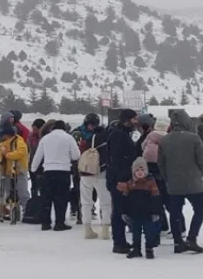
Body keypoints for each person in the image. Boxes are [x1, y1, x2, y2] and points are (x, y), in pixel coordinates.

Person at [159, 109, 203, 254]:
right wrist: (199, 174)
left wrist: (167, 178)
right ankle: (192, 238)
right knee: (200, 209)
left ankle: (178, 242)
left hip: (174, 184)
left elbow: (161, 163)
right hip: (194, 182)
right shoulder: (194, 138)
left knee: (175, 213)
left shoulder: (165, 140)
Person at [32, 119, 81, 231]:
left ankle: (46, 223)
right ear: (64, 128)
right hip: (63, 172)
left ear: (52, 128)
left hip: (48, 172)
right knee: (61, 199)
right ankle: (59, 223)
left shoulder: (45, 138)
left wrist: (33, 169)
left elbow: (38, 155)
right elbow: (76, 155)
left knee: (46, 198)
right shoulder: (68, 138)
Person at [107, 109, 142, 254]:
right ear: (127, 120)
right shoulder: (118, 135)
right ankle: (119, 242)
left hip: (121, 177)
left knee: (122, 210)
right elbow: (117, 160)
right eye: (134, 119)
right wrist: (121, 180)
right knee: (119, 211)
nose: (136, 121)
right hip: (119, 179)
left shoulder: (122, 134)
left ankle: (121, 241)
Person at [76, 112, 112, 240]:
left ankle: (87, 229)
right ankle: (105, 230)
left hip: (86, 171)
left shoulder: (86, 139)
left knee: (86, 201)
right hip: (101, 171)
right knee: (105, 201)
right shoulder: (108, 138)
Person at [117, 157, 163, 260]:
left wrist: (156, 212)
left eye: (142, 170)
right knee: (136, 232)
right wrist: (124, 212)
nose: (140, 172)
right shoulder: (130, 184)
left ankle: (149, 249)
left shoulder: (151, 183)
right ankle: (136, 249)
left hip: (148, 213)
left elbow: (156, 198)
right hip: (134, 213)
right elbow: (125, 199)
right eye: (137, 170)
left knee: (149, 232)